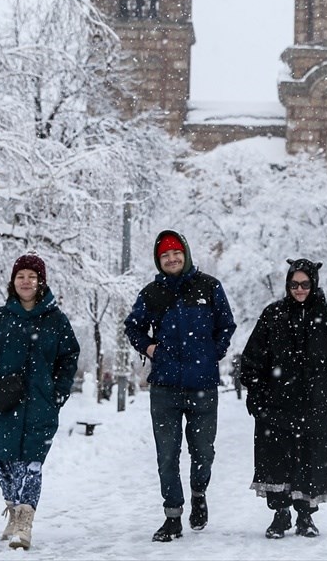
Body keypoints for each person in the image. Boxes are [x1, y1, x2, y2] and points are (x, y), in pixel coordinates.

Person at [124, 230, 237, 542]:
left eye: (176, 253)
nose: (171, 259)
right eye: (164, 255)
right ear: (159, 261)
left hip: (203, 385)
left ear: (185, 254)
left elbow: (227, 324)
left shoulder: (209, 287)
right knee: (167, 454)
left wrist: (213, 352)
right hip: (164, 388)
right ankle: (172, 515)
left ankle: (199, 492)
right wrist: (150, 348)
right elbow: (132, 326)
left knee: (203, 451)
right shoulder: (151, 293)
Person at [241, 258, 327, 539]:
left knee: (313, 459)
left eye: (305, 284)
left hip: (318, 404)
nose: (299, 289)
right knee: (278, 458)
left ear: (314, 284)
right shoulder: (273, 315)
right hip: (278, 403)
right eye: (294, 284)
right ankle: (280, 514)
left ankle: (305, 516)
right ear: (288, 285)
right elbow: (254, 356)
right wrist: (254, 389)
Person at [0, 254, 80, 551]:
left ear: (41, 281)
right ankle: (13, 510)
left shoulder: (56, 320)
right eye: (21, 276)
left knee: (30, 465)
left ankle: (24, 522)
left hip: (39, 405)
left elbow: (69, 357)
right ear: (13, 281)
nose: (26, 281)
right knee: (2, 464)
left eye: (32, 276)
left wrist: (57, 392)